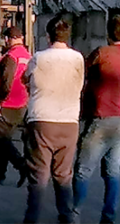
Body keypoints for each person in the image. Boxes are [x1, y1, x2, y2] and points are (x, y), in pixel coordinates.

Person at [73, 15, 120, 224]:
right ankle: (108, 216)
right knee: (112, 171)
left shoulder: (102, 54)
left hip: (101, 117)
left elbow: (82, 72)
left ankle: (73, 213)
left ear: (109, 33)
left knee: (83, 170)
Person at [21, 15, 84, 224]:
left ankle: (32, 218)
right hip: (69, 120)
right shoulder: (78, 59)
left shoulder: (38, 58)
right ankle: (67, 215)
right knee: (63, 173)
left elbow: (25, 79)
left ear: (48, 36)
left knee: (39, 174)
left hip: (42, 119)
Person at [0, 26, 30, 186]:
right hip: (21, 101)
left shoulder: (11, 57)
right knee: (5, 138)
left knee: (0, 139)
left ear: (9, 39)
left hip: (7, 103)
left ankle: (22, 165)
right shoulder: (27, 56)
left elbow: (6, 82)